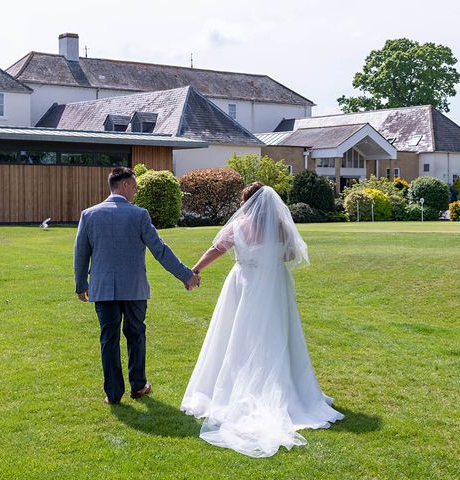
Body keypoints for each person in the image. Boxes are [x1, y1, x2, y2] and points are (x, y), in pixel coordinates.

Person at [181, 182, 343, 457]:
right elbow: (291, 255)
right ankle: (286, 389)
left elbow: (217, 250)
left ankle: (234, 389)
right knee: (276, 336)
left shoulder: (238, 226)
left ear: (246, 203)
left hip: (244, 285)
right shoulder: (281, 226)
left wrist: (194, 270)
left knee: (236, 336)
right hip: (275, 288)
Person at [74, 167, 200, 405]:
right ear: (124, 186)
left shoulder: (89, 215)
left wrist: (82, 285)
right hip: (134, 289)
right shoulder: (139, 215)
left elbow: (81, 254)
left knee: (108, 340)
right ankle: (139, 386)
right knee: (136, 336)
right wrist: (186, 275)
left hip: (103, 290)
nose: (136, 190)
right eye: (134, 186)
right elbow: (160, 250)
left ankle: (113, 394)